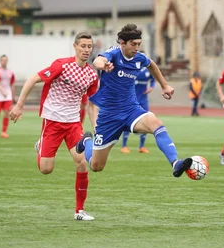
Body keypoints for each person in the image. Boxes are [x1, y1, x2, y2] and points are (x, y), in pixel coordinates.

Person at [76, 24, 194, 178]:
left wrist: (164, 85)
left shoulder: (139, 58)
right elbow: (98, 61)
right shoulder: (113, 53)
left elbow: (151, 64)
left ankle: (175, 162)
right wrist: (104, 66)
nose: (137, 48)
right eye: (133, 44)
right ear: (122, 43)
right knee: (96, 166)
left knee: (156, 123)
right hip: (109, 116)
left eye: (139, 44)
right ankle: (87, 142)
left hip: (131, 110)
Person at [10, 32, 99, 221]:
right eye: (82, 46)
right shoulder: (62, 65)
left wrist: (96, 126)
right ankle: (41, 145)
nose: (86, 50)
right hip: (52, 122)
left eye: (89, 47)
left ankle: (79, 211)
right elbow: (33, 79)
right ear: (74, 47)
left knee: (81, 162)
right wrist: (19, 105)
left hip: (73, 123)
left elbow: (91, 103)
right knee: (46, 169)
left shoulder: (91, 74)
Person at [120, 58, 155, 154]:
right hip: (131, 100)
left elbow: (153, 80)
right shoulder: (132, 70)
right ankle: (124, 146)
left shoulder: (147, 71)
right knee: (127, 121)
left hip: (143, 100)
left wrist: (151, 87)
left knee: (146, 121)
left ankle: (142, 146)